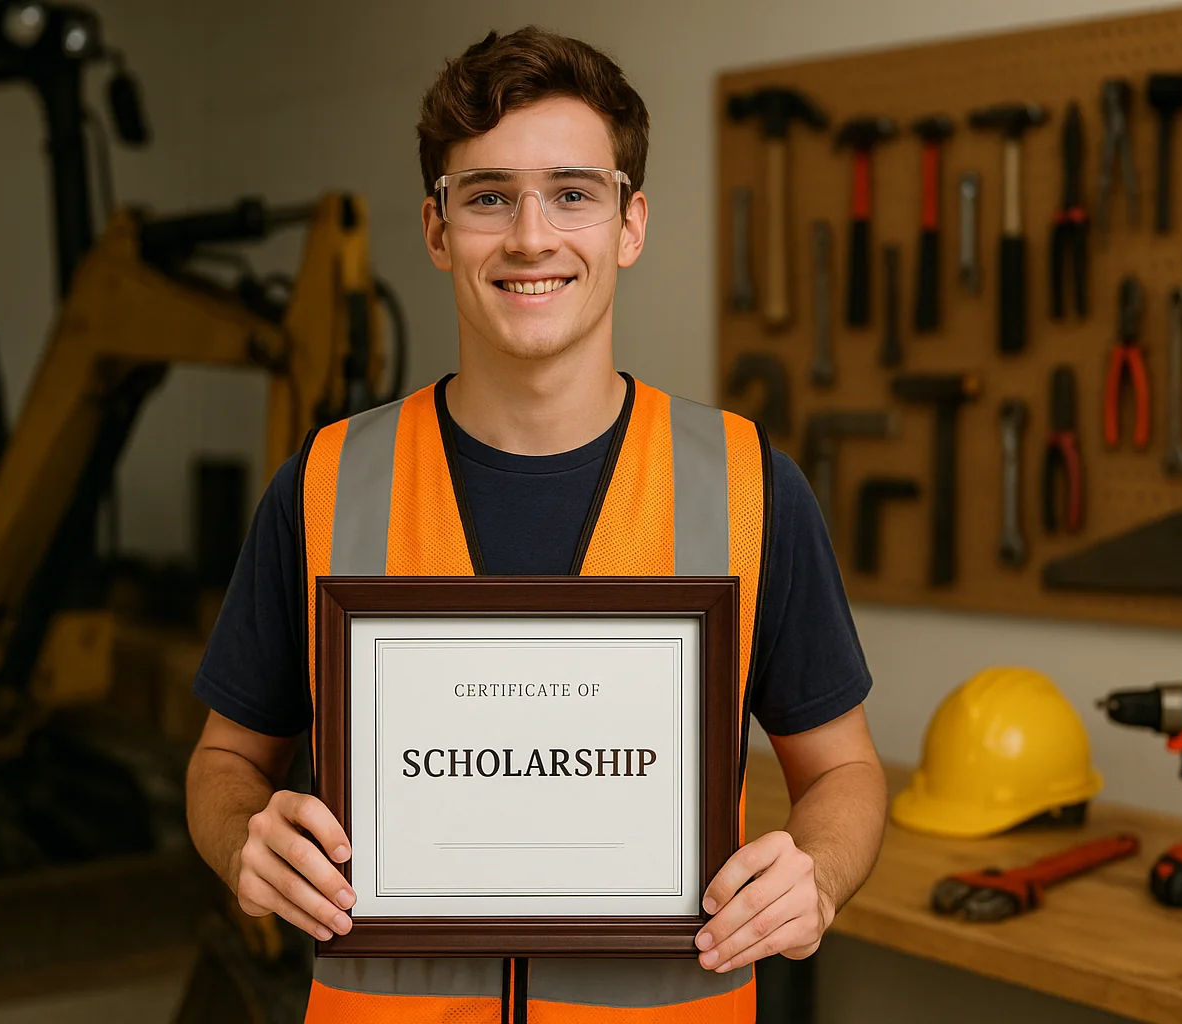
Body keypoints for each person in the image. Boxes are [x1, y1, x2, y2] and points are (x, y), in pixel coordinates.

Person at [185, 25, 887, 1024]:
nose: (529, 236)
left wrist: (816, 872)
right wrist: (244, 841)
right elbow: (224, 763)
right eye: (486, 196)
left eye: (572, 192)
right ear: (437, 231)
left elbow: (846, 771)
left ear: (629, 224)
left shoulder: (747, 486)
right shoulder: (328, 482)